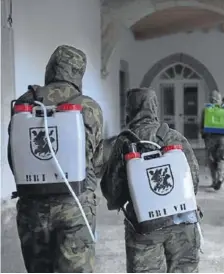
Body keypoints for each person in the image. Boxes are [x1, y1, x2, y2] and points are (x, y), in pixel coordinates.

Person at [7, 45, 103, 272]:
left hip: (32, 207)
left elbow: (14, 157)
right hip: (75, 205)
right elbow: (96, 162)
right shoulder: (88, 106)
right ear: (78, 73)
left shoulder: (24, 103)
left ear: (50, 69)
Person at [100, 87, 201, 273]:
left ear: (129, 110)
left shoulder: (125, 143)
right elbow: (193, 182)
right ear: (155, 107)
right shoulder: (175, 137)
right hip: (184, 224)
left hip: (145, 227)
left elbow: (112, 194)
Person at [201, 90, 224, 190]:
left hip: (210, 137)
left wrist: (203, 135)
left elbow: (201, 125)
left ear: (210, 98)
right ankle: (220, 176)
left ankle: (214, 180)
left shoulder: (206, 110)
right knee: (223, 158)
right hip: (223, 138)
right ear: (219, 99)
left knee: (211, 159)